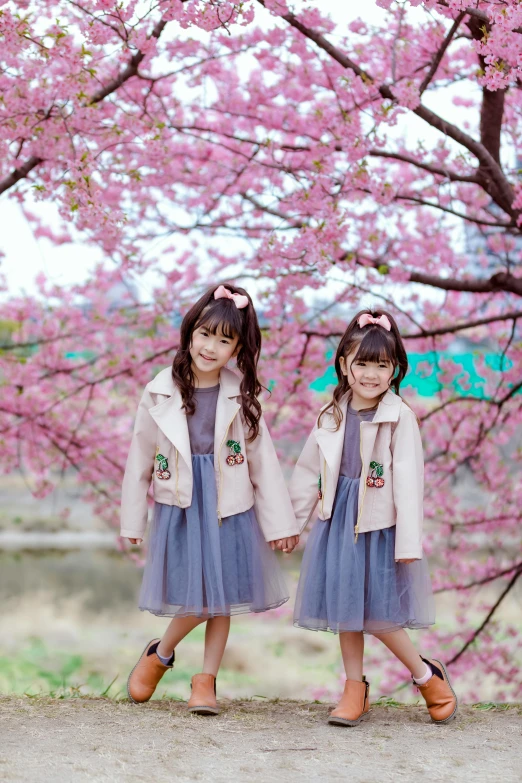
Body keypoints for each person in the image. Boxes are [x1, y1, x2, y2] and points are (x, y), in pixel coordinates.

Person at [120, 283, 299, 714]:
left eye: (225, 340)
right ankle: (161, 653)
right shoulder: (160, 391)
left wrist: (280, 525)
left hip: (228, 504)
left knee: (222, 599)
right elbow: (139, 458)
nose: (211, 347)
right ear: (189, 332)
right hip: (180, 504)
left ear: (238, 348)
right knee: (199, 598)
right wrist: (132, 521)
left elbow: (263, 463)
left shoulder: (241, 395)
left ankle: (206, 682)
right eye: (205, 334)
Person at [290, 309, 457, 726]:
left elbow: (408, 483)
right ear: (344, 365)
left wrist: (409, 543)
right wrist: (291, 524)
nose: (369, 374)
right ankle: (354, 688)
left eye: (380, 365)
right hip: (337, 523)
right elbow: (308, 471)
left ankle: (425, 674)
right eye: (361, 363)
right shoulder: (330, 416)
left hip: (380, 527)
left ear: (395, 369)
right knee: (347, 607)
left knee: (381, 614)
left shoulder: (399, 417)